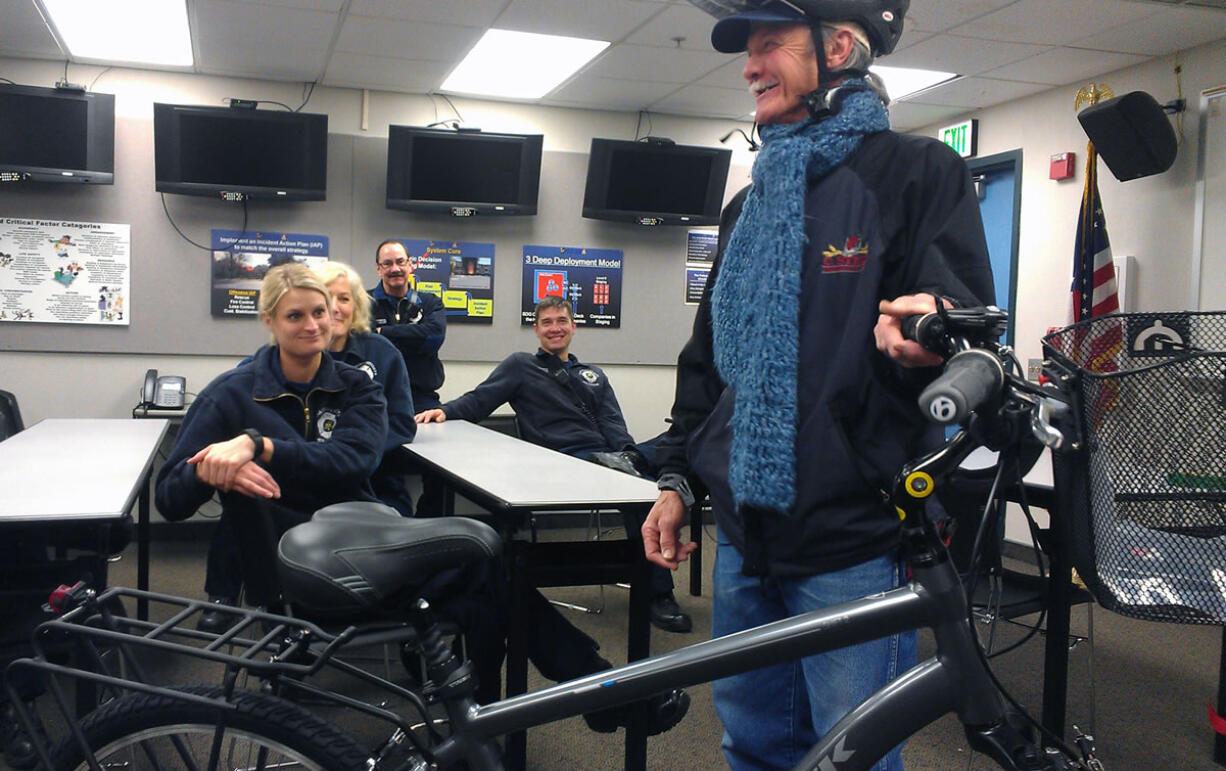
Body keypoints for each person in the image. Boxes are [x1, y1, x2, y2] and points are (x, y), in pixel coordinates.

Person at [640, 2, 996, 769]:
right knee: (753, 740)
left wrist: (933, 322)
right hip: (743, 531)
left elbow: (958, 310)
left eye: (769, 45)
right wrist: (675, 476)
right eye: (748, 52)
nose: (749, 66)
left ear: (838, 49)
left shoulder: (914, 171)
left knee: (852, 751)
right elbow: (705, 362)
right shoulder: (749, 203)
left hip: (854, 534)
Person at [416, 295, 694, 634]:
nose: (555, 328)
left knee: (679, 444)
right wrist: (445, 411)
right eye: (547, 322)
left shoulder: (593, 374)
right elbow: (479, 399)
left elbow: (613, 423)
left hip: (611, 457)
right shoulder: (521, 366)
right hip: (565, 462)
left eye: (561, 321)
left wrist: (626, 456)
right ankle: (659, 595)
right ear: (536, 330)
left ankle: (635, 474)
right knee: (646, 490)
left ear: (573, 326)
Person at [156, 263, 388, 610]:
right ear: (269, 321)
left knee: (476, 564)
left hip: (353, 540)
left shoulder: (358, 387)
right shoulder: (228, 394)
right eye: (295, 316)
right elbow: (169, 500)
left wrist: (258, 445)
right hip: (282, 564)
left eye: (319, 312)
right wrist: (207, 471)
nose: (312, 326)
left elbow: (352, 462)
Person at [317, 260, 417, 517]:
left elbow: (402, 423)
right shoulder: (294, 355)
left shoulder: (382, 353)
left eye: (344, 299)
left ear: (356, 307)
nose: (335, 308)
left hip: (375, 484)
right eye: (326, 298)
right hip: (311, 478)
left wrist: (352, 455)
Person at [368, 239, 446, 411]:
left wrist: (383, 332)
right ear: (378, 268)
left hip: (422, 400)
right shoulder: (363, 303)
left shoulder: (429, 302)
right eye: (387, 263)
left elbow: (434, 337)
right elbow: (365, 345)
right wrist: (414, 337)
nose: (395, 269)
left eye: (400, 262)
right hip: (374, 398)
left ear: (410, 265)